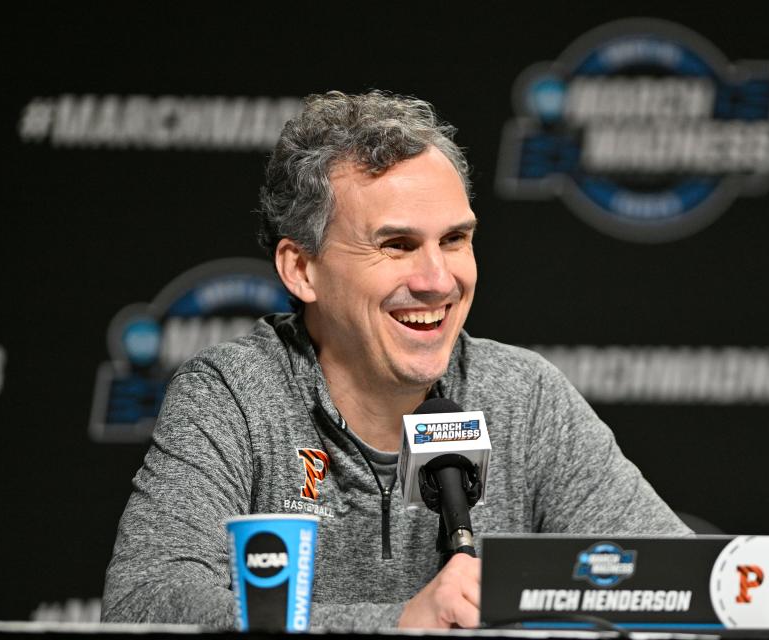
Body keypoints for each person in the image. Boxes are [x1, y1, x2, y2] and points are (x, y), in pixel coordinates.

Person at [101, 90, 690, 631]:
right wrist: (399, 623)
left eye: (455, 240)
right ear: (301, 269)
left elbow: (683, 589)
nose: (438, 281)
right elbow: (145, 604)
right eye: (398, 246)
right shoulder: (234, 394)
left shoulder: (523, 395)